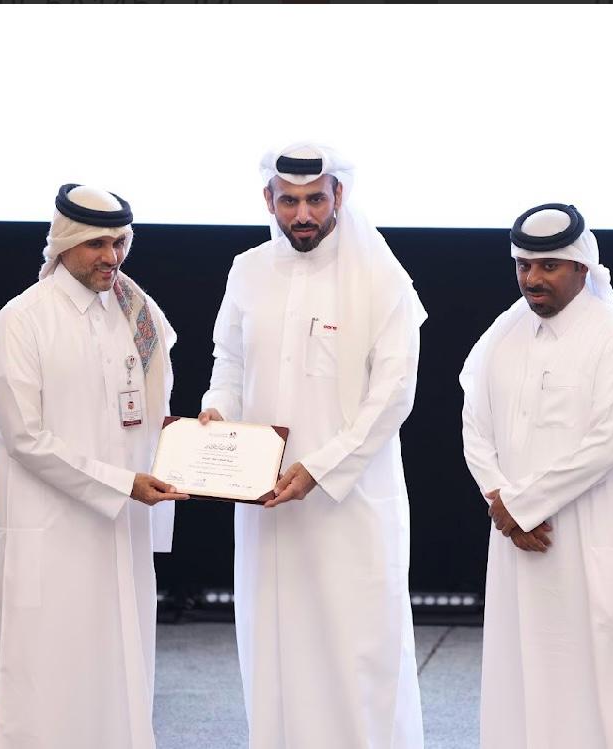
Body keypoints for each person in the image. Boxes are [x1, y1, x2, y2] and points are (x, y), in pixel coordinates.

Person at [199, 142, 428, 748]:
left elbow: (393, 396)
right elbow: (228, 360)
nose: (302, 214)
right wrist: (217, 415)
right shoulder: (247, 270)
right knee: (275, 643)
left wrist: (321, 467)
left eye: (315, 200)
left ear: (339, 198)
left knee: (358, 651)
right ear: (268, 200)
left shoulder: (381, 279)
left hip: (348, 504)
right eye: (289, 201)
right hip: (266, 503)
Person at [459, 203, 613, 748]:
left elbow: (608, 442)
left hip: (590, 543)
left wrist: (519, 505)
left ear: (581, 266)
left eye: (548, 266)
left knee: (602, 688)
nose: (533, 278)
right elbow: (473, 421)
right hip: (517, 543)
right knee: (521, 682)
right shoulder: (503, 334)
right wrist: (498, 499)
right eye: (524, 265)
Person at [0, 184, 186, 749]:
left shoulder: (137, 315)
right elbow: (26, 439)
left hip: (120, 529)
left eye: (119, 241)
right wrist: (122, 484)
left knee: (122, 669)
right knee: (50, 678)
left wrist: (197, 439)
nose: (111, 256)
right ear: (64, 242)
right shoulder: (21, 321)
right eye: (96, 242)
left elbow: (154, 414)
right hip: (52, 535)